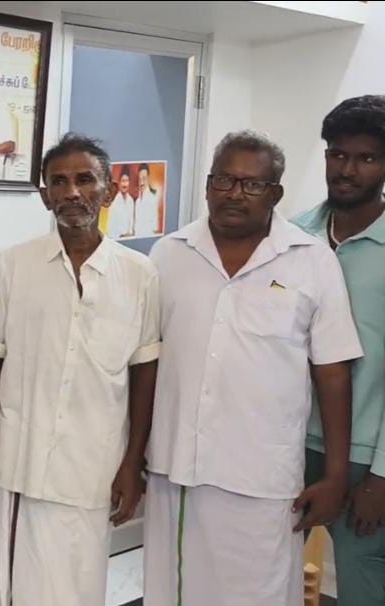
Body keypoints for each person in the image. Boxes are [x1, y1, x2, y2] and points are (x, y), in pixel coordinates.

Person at [144, 130, 363, 606]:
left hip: (262, 478)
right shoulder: (169, 254)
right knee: (174, 592)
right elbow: (146, 361)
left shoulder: (311, 261)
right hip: (177, 471)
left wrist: (335, 475)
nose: (234, 193)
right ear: (208, 185)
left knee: (259, 594)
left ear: (275, 194)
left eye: (252, 184)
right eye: (223, 180)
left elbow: (333, 374)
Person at [0, 134, 160, 606]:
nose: (72, 192)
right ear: (45, 196)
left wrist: (133, 464)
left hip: (94, 467)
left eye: (85, 180)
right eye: (58, 182)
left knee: (81, 587)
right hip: (24, 462)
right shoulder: (14, 265)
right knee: (16, 590)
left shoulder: (139, 275)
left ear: (110, 191)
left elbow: (143, 375)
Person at [293, 95, 385, 606]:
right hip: (286, 442)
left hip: (364, 458)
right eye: (338, 154)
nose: (348, 170)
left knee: (363, 584)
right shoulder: (292, 235)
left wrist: (382, 476)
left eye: (367, 158)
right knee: (263, 576)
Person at [107, 166, 135, 238]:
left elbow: (131, 222)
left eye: (126, 181)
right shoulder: (113, 200)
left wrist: (129, 234)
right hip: (116, 237)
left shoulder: (131, 200)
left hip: (128, 238)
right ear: (119, 182)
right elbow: (111, 224)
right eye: (123, 181)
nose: (124, 184)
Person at [135, 163, 162, 236]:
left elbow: (155, 228)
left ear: (148, 178)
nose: (141, 182)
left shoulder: (153, 199)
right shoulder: (137, 201)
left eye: (144, 178)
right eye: (139, 179)